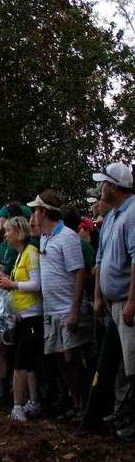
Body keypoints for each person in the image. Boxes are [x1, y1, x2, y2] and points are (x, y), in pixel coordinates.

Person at [28, 189, 88, 419]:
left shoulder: (68, 237)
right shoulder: (44, 237)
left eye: (36, 210)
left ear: (44, 211)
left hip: (66, 308)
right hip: (51, 310)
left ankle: (83, 405)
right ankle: (74, 404)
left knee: (71, 358)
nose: (33, 214)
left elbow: (79, 273)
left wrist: (74, 311)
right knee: (59, 359)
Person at [92, 163, 135, 438]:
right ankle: (123, 412)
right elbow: (100, 260)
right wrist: (98, 296)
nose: (100, 188)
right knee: (120, 365)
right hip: (112, 303)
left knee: (133, 364)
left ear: (114, 186)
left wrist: (132, 302)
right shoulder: (111, 218)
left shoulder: (132, 214)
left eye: (104, 183)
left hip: (127, 303)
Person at [0, 216, 43, 422]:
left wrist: (12, 285)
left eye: (8, 231)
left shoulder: (31, 253)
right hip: (22, 315)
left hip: (32, 314)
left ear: (19, 232)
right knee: (29, 362)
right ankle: (32, 401)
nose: (6, 235)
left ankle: (18, 405)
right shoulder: (19, 255)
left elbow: (36, 284)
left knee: (21, 362)